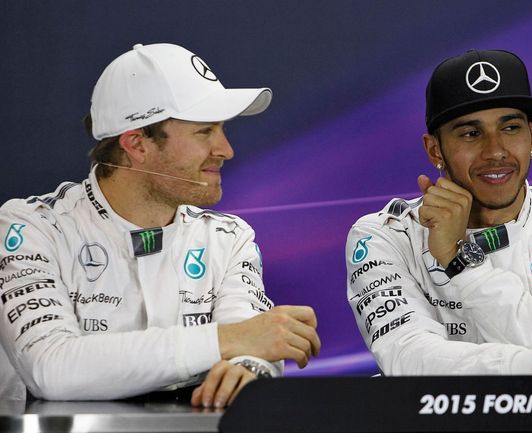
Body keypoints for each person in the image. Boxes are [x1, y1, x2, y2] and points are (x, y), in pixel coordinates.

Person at [0, 43, 321, 406]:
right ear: (137, 144)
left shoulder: (227, 237)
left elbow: (250, 338)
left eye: (222, 130)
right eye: (205, 132)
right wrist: (226, 340)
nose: (226, 149)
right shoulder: (30, 228)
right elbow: (51, 369)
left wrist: (249, 365)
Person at [345, 49, 532, 375]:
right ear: (434, 149)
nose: (495, 151)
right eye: (471, 133)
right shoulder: (385, 235)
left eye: (510, 129)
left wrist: (460, 261)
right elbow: (409, 361)